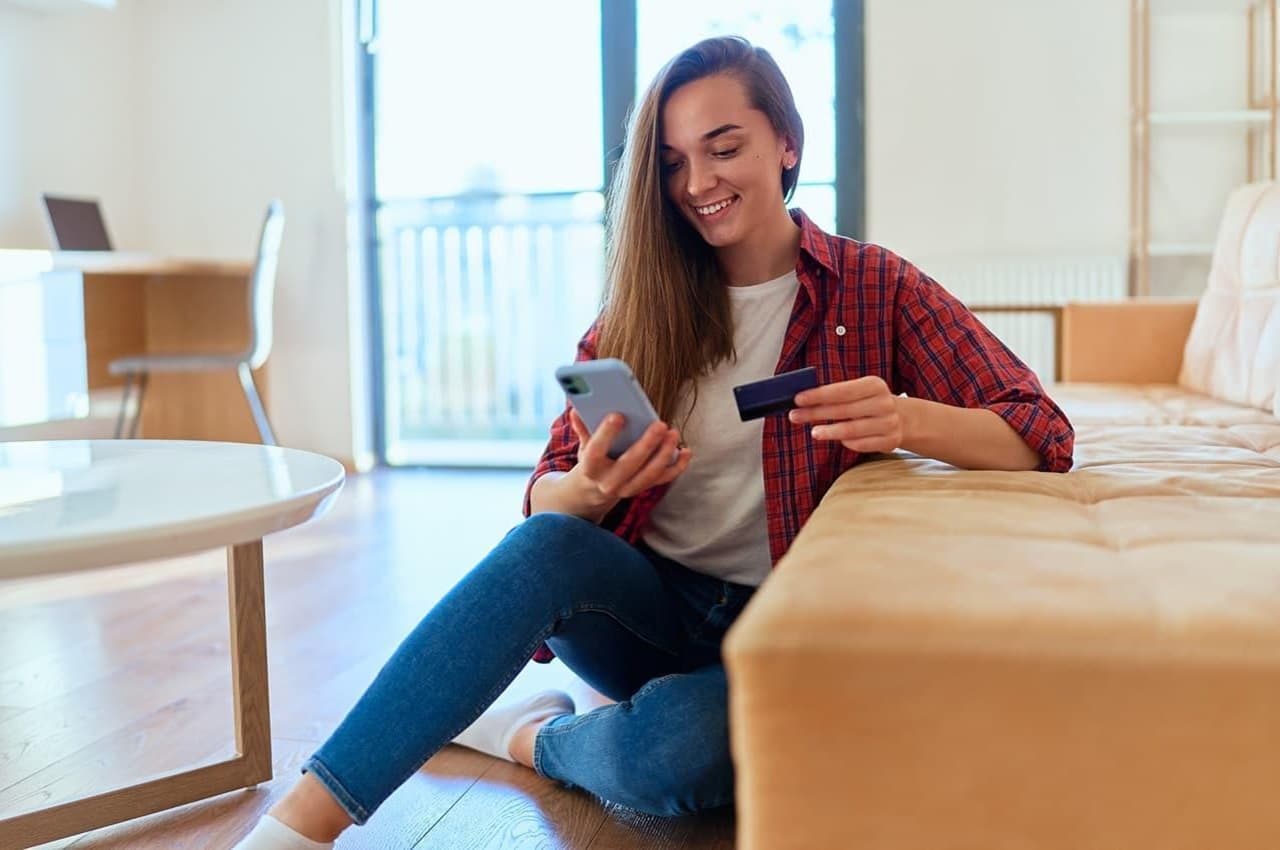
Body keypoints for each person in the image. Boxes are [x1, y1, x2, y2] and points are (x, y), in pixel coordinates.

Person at [234, 34, 1074, 849]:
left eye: (723, 148)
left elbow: (1040, 430)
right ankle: (297, 826)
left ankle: (528, 739)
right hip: (647, 610)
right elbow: (544, 498)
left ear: (786, 143)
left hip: (781, 629)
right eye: (672, 163)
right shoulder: (640, 309)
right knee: (550, 543)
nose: (697, 182)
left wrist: (905, 417)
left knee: (677, 758)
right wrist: (585, 494)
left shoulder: (873, 285)